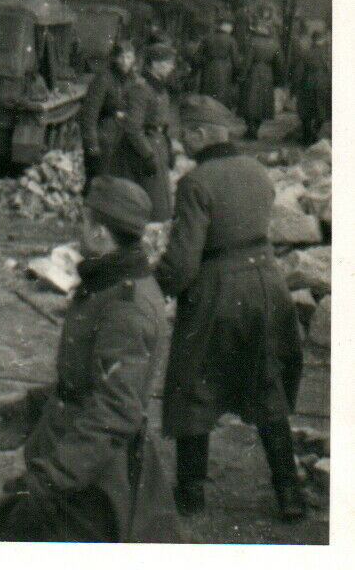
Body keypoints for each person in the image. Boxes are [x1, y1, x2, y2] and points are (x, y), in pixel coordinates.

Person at [0, 176, 177, 542]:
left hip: (92, 476)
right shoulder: (109, 285)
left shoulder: (125, 305)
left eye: (83, 221)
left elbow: (115, 411)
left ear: (100, 233)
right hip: (76, 459)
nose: (77, 228)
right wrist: (36, 404)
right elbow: (91, 379)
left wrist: (49, 479)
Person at [156, 95, 306, 521]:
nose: (182, 140)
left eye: (186, 132)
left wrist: (157, 283)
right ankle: (290, 494)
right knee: (268, 384)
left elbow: (184, 262)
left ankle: (191, 493)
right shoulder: (258, 172)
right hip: (267, 283)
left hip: (217, 290)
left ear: (202, 135)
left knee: (193, 382)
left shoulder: (195, 183)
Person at [109, 42, 174, 222]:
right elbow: (133, 128)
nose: (171, 67)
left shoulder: (158, 87)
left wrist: (167, 147)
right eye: (167, 62)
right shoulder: (141, 89)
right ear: (154, 64)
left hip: (156, 144)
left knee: (160, 201)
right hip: (141, 151)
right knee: (147, 204)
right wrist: (148, 155)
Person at [79, 41, 138, 189]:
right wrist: (92, 147)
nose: (125, 62)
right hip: (104, 140)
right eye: (122, 57)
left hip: (123, 141)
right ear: (114, 58)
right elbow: (89, 115)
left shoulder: (132, 80)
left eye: (129, 57)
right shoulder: (103, 79)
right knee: (98, 183)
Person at [237, 25, 282, 139]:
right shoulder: (274, 45)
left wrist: (242, 75)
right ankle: (256, 128)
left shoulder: (252, 42)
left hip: (254, 72)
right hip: (268, 74)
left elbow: (247, 61)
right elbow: (279, 64)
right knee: (263, 103)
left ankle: (250, 128)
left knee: (249, 102)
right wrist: (278, 79)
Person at [293, 29, 331, 145]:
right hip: (324, 82)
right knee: (322, 110)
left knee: (306, 111)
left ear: (312, 40)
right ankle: (315, 132)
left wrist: (294, 87)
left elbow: (299, 72)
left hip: (308, 83)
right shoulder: (327, 55)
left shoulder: (306, 53)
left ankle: (307, 136)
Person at [195, 20, 241, 109]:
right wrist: (237, 73)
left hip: (208, 67)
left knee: (207, 92)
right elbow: (235, 59)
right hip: (224, 69)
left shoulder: (207, 38)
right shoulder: (231, 40)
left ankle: (206, 110)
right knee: (221, 92)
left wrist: (203, 63)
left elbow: (197, 57)